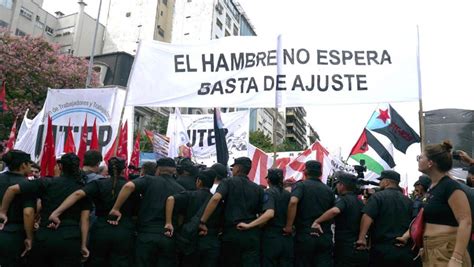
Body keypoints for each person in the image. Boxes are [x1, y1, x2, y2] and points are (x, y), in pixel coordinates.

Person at [0, 153, 92, 267]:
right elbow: (85, 219)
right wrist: (83, 245)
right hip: (70, 238)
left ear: (60, 166)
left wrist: (3, 212)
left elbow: (12, 189)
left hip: (45, 236)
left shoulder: (47, 182)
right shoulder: (83, 188)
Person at [48, 157, 139, 267]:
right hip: (124, 230)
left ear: (108, 170)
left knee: (97, 261)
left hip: (101, 229)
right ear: (124, 170)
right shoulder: (132, 187)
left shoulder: (98, 184)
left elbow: (78, 194)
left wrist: (57, 212)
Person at [108, 157, 185, 267]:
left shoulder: (149, 180)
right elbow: (181, 215)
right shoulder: (181, 189)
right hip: (168, 236)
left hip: (146, 234)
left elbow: (128, 186)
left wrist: (116, 208)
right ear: (174, 171)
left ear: (158, 169)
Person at [200, 157, 265, 267]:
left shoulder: (228, 182)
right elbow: (263, 214)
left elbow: (215, 199)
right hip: (251, 234)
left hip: (232, 233)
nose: (232, 170)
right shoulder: (258, 188)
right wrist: (253, 227)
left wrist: (202, 221)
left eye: (233, 167)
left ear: (238, 168)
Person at [356, 170, 415, 267]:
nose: (379, 183)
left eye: (381, 180)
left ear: (387, 182)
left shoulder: (377, 197)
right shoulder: (409, 201)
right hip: (403, 249)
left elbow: (367, 216)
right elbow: (414, 223)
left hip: (381, 250)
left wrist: (361, 238)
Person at [237, 168, 293, 267]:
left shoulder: (269, 193)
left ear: (268, 180)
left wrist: (249, 225)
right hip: (287, 238)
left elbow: (269, 213)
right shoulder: (288, 194)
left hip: (271, 238)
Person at [283, 160, 335, 267]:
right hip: (324, 235)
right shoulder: (329, 190)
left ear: (305, 171)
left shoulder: (301, 186)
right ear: (320, 173)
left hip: (305, 234)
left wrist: (288, 226)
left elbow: (293, 202)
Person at [165, 168, 220, 267]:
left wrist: (168, 222)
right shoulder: (216, 200)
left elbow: (171, 199)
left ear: (199, 181)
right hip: (211, 242)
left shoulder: (190, 195)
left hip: (190, 242)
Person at [312, 171, 368, 267]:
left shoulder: (344, 199)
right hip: (358, 245)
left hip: (344, 246)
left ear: (342, 185)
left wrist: (317, 221)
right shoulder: (360, 202)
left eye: (337, 184)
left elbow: (335, 211)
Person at [0, 150, 36, 266]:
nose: (31, 167)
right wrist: (29, 237)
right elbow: (28, 212)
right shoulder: (27, 185)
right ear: (23, 165)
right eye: (29, 164)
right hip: (14, 235)